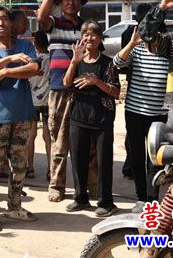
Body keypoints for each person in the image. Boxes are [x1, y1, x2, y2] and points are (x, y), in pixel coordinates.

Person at [0, 5, 40, 234]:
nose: (1, 23)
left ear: (11, 23)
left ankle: (14, 206)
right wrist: (11, 59)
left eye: (4, 18)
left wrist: (4, 72)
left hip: (22, 115)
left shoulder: (25, 45)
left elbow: (33, 68)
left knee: (19, 166)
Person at [37, 0, 89, 202]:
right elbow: (41, 18)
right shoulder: (54, 24)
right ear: (60, 2)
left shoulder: (86, 28)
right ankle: (56, 186)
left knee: (86, 143)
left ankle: (90, 186)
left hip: (83, 90)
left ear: (80, 3)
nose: (71, 2)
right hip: (59, 90)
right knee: (59, 142)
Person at [64, 21, 120, 216]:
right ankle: (80, 198)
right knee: (77, 160)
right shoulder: (76, 60)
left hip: (102, 119)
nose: (90, 38)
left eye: (94, 34)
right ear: (82, 38)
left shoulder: (108, 63)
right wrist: (73, 62)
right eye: (86, 34)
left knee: (103, 163)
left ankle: (106, 202)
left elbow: (116, 92)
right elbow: (66, 83)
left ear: (100, 38)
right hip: (78, 117)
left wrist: (96, 81)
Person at [113, 20, 169, 212]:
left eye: (157, 33)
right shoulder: (136, 51)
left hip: (159, 115)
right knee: (137, 157)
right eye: (149, 32)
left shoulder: (169, 53)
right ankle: (141, 198)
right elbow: (117, 62)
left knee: (155, 159)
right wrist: (131, 43)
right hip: (135, 113)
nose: (153, 37)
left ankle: (152, 200)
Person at [120, 3, 153, 180]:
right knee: (142, 133)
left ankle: (132, 167)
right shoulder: (131, 34)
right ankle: (135, 167)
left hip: (137, 84)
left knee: (135, 132)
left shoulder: (128, 32)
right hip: (141, 86)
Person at [27, 30, 51, 181]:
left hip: (32, 101)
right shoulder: (52, 58)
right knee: (48, 136)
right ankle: (50, 169)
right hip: (48, 101)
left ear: (35, 44)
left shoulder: (32, 61)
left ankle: (30, 168)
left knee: (31, 135)